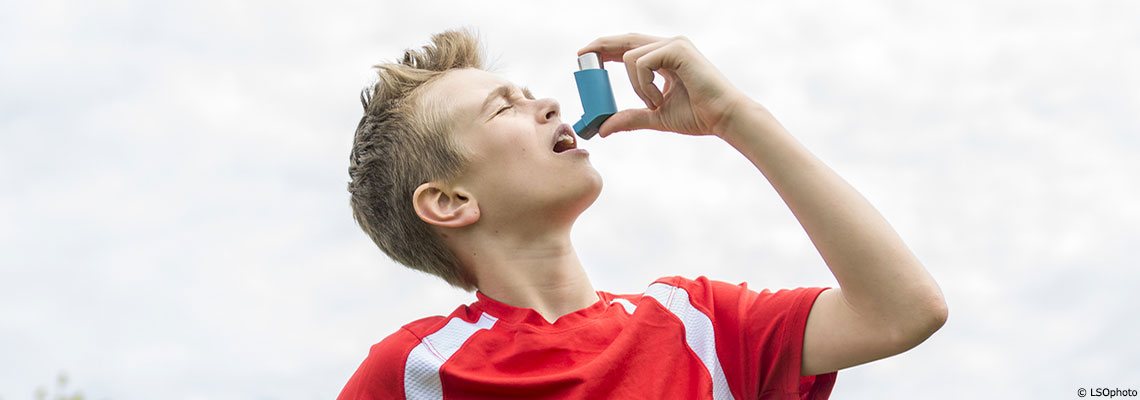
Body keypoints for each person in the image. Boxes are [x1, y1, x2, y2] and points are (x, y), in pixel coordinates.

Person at [339, 28, 948, 399]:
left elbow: (902, 313)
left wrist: (733, 117)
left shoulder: (700, 326)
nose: (548, 103)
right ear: (449, 201)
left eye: (531, 94)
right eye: (504, 109)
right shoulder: (413, 374)